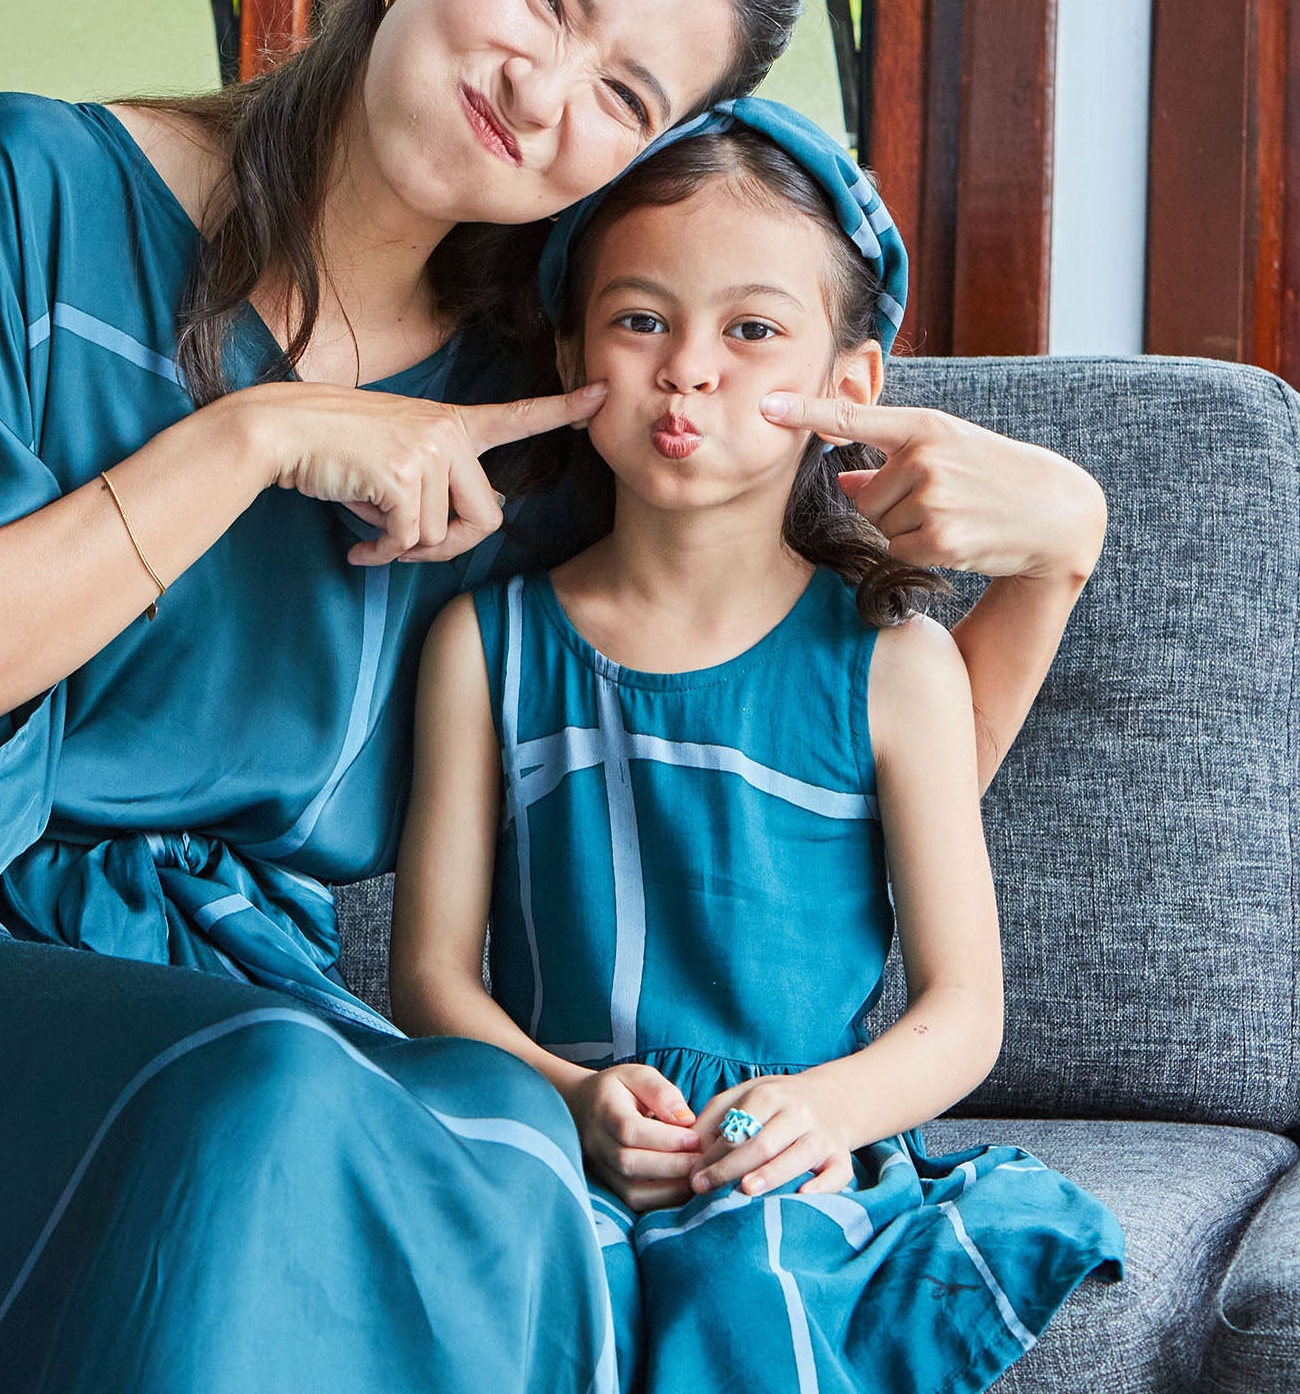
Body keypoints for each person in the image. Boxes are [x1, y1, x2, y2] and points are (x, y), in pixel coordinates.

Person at [0, 0, 1110, 1394]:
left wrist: (1058, 543)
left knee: (499, 1139)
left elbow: (807, 773)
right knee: (274, 1103)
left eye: (621, 93)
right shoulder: (34, 186)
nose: (543, 88)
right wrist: (259, 436)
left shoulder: (540, 403)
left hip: (264, 1016)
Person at [388, 97, 1128, 1394]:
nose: (688, 369)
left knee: (748, 1288)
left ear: (847, 386)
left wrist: (822, 1113)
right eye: (640, 319)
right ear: (571, 347)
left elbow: (965, 1011)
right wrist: (571, 1098)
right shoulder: (485, 647)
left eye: (750, 330)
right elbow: (433, 981)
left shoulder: (896, 667)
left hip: (782, 1157)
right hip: (541, 1137)